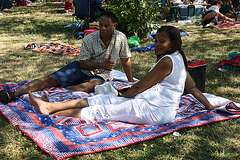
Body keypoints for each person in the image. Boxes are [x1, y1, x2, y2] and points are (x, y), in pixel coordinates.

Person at [28, 26, 222, 125]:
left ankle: (50, 113)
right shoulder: (179, 57)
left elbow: (139, 87)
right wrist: (209, 106)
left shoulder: (168, 61)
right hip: (155, 107)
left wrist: (122, 97)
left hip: (155, 111)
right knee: (102, 99)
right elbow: (193, 88)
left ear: (172, 43)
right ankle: (50, 106)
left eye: (161, 42)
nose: (156, 45)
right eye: (156, 41)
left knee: (101, 110)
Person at [0, 11, 134, 103]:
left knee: (87, 87)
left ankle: (58, 92)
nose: (103, 28)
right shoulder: (89, 39)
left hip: (100, 75)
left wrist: (130, 81)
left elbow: (125, 59)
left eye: (107, 26)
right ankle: (13, 94)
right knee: (49, 80)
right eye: (100, 25)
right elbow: (82, 64)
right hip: (80, 68)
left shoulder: (120, 38)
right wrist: (101, 65)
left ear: (114, 26)